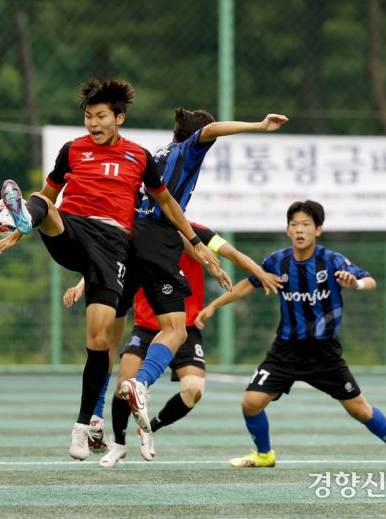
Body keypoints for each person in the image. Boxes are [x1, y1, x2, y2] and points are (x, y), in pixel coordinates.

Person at [0, 79, 221, 461]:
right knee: (38, 203)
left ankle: (83, 426)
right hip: (73, 229)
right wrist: (20, 230)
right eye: (87, 116)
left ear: (119, 118)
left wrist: (194, 241)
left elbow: (168, 204)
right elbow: (49, 195)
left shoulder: (140, 157)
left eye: (100, 117)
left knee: (99, 341)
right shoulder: (72, 150)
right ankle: (21, 219)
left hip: (111, 244)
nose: (92, 124)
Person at [195, 200, 386, 468]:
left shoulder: (331, 260)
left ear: (318, 230)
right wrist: (213, 305)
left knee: (360, 410)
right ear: (287, 230)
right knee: (251, 402)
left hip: (324, 353)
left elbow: (370, 281)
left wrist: (354, 283)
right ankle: (264, 455)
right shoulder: (276, 261)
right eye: (294, 224)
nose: (300, 229)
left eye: (306, 224)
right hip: (285, 350)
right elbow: (249, 284)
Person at [111, 108, 288, 436]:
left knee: (111, 339)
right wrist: (258, 124)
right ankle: (131, 407)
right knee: (159, 343)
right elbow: (212, 130)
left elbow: (228, 252)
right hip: (152, 249)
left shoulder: (154, 157)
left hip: (128, 235)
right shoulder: (187, 151)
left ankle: (104, 421)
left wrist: (247, 268)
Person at [64, 222, 281, 468]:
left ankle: (150, 429)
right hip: (147, 325)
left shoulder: (194, 232)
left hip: (185, 326)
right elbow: (109, 259)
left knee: (194, 390)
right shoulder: (137, 227)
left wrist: (258, 272)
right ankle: (119, 445)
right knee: (124, 383)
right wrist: (82, 285)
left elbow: (231, 253)